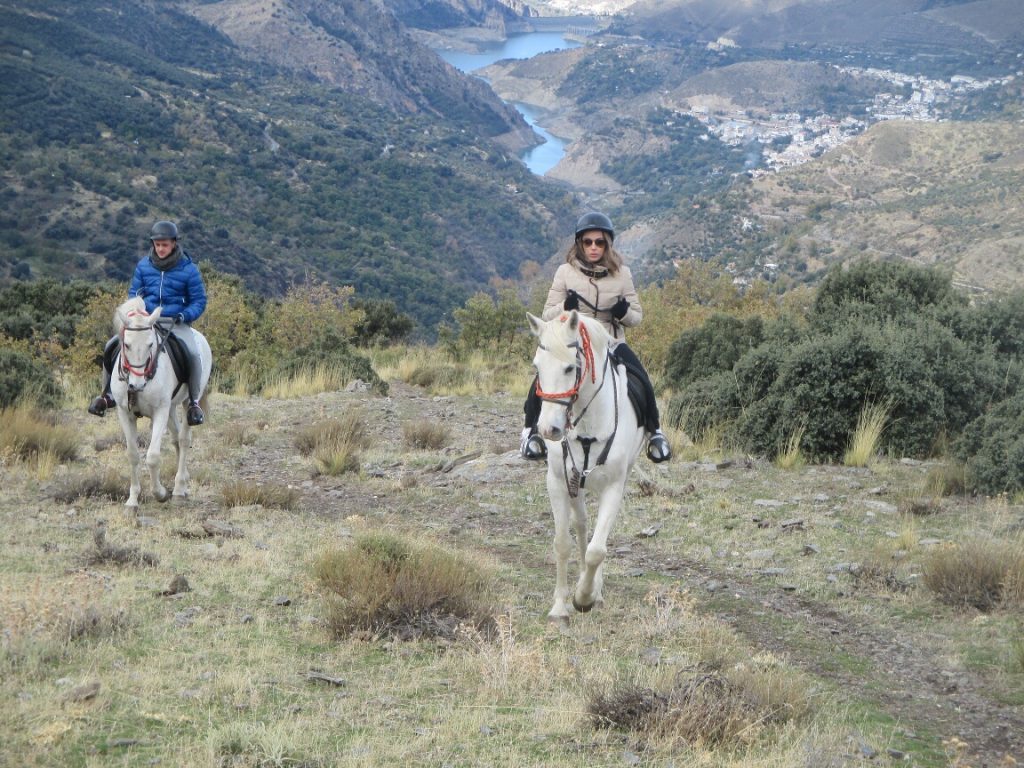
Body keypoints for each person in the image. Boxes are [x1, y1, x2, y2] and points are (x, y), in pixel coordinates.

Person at [520, 211, 671, 463]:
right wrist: (564, 308)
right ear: (579, 244)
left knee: (641, 377)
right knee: (544, 376)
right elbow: (547, 314)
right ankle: (530, 432)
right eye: (588, 242)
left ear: (607, 244)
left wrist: (623, 313)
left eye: (599, 242)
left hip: (610, 341)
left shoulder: (623, 274)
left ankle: (655, 432)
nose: (593, 247)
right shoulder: (564, 272)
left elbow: (637, 317)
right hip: (574, 342)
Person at [88, 220, 208, 426]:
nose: (161, 248)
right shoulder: (144, 266)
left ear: (174, 244)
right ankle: (107, 394)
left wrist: (185, 315)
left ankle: (194, 402)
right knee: (112, 345)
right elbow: (134, 294)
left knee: (193, 353)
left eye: (165, 244)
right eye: (157, 244)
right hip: (145, 321)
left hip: (175, 321)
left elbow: (199, 301)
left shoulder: (189, 269)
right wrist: (136, 312)